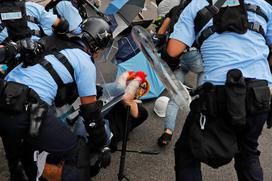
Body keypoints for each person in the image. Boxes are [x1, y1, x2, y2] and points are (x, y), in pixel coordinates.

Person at [164, 0, 272, 180]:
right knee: (248, 153)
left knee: (187, 151)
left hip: (219, 93)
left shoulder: (196, 5)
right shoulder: (263, 4)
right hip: (259, 93)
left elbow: (173, 50)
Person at [0, 16, 113, 181]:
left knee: (20, 159)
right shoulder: (85, 62)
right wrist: (102, 144)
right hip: (25, 107)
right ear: (97, 45)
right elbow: (91, 113)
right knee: (78, 151)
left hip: (5, 95)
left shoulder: (53, 41)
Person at [156, 0, 204, 146]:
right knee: (201, 97)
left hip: (178, 58)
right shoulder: (200, 12)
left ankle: (167, 132)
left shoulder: (175, 10)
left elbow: (160, 33)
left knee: (175, 97)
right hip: (196, 55)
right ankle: (197, 134)